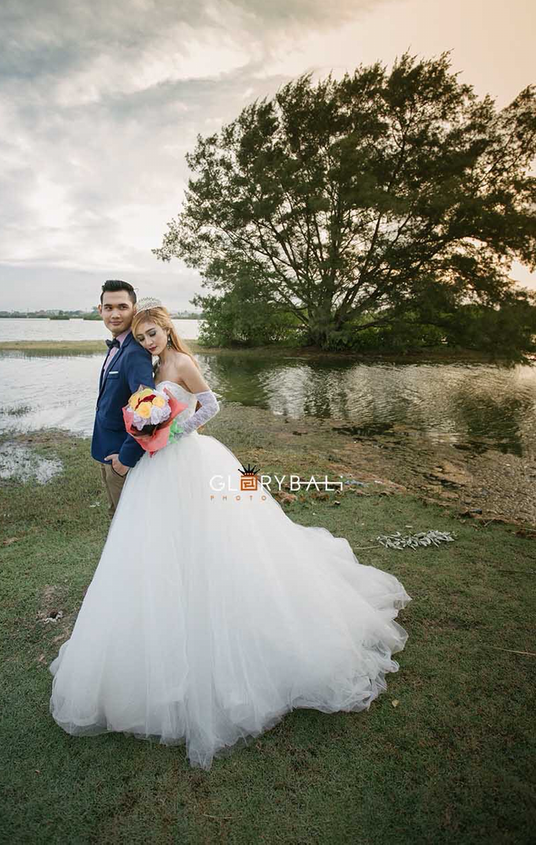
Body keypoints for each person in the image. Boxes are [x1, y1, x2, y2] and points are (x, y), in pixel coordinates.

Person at [49, 296, 412, 771]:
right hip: (160, 466)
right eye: (140, 338)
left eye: (151, 333)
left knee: (225, 536)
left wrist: (175, 431)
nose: (147, 341)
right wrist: (150, 429)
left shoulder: (182, 361)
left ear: (165, 327)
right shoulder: (153, 365)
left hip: (193, 456)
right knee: (159, 545)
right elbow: (150, 410)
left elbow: (211, 405)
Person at [91, 280, 155, 520]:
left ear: (134, 309)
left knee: (127, 522)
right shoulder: (118, 345)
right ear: (100, 310)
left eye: (122, 307)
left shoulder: (136, 353)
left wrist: (125, 458)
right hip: (106, 449)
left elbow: (147, 410)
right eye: (108, 308)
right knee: (116, 517)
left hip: (120, 456)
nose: (115, 314)